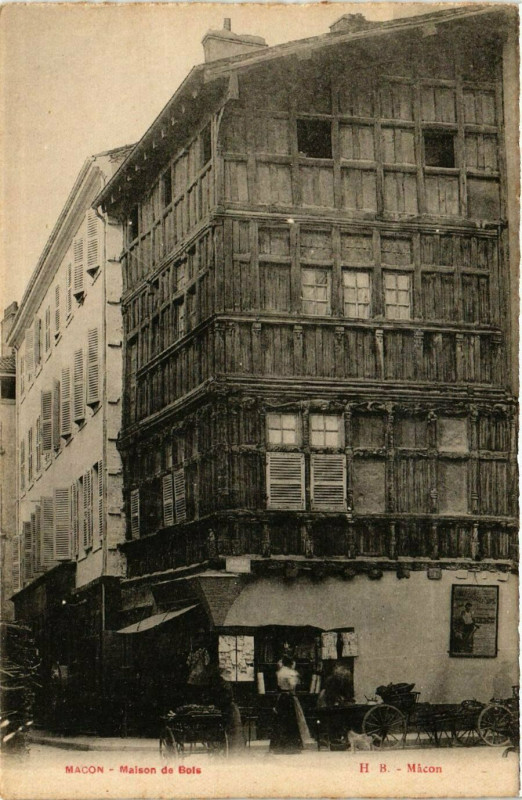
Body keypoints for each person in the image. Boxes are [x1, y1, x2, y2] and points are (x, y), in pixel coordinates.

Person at [269, 655, 311, 754]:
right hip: (289, 697)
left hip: (281, 697)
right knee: (291, 722)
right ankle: (291, 746)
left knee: (281, 722)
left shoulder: (280, 672)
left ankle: (279, 747)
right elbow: (292, 685)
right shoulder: (290, 673)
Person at [207, 667, 245, 753]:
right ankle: (233, 750)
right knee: (233, 731)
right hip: (229, 709)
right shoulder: (224, 683)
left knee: (232, 731)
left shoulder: (222, 684)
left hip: (228, 709)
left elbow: (225, 698)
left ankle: (233, 750)